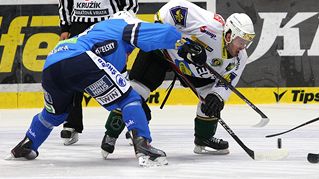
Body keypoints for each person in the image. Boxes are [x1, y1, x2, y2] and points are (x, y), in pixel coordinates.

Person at [5, 11, 206, 167]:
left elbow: (112, 83)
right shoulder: (122, 24)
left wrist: (128, 113)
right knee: (130, 98)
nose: (130, 52)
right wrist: (182, 43)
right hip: (80, 59)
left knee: (54, 114)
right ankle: (143, 146)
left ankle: (27, 144)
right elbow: (152, 32)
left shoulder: (95, 34)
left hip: (51, 65)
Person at [99, 0, 256, 158]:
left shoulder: (240, 58)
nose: (243, 46)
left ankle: (204, 138)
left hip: (193, 68)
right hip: (161, 52)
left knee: (210, 99)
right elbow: (174, 7)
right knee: (135, 92)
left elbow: (226, 82)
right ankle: (111, 134)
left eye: (247, 42)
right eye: (241, 40)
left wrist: (218, 96)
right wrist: (176, 40)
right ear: (229, 34)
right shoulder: (210, 26)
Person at [58, 0, 138, 145]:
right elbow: (65, 0)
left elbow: (130, 2)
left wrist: (122, 28)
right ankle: (72, 124)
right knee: (73, 73)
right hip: (78, 27)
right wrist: (65, 28)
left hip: (108, 27)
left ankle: (131, 123)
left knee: (118, 75)